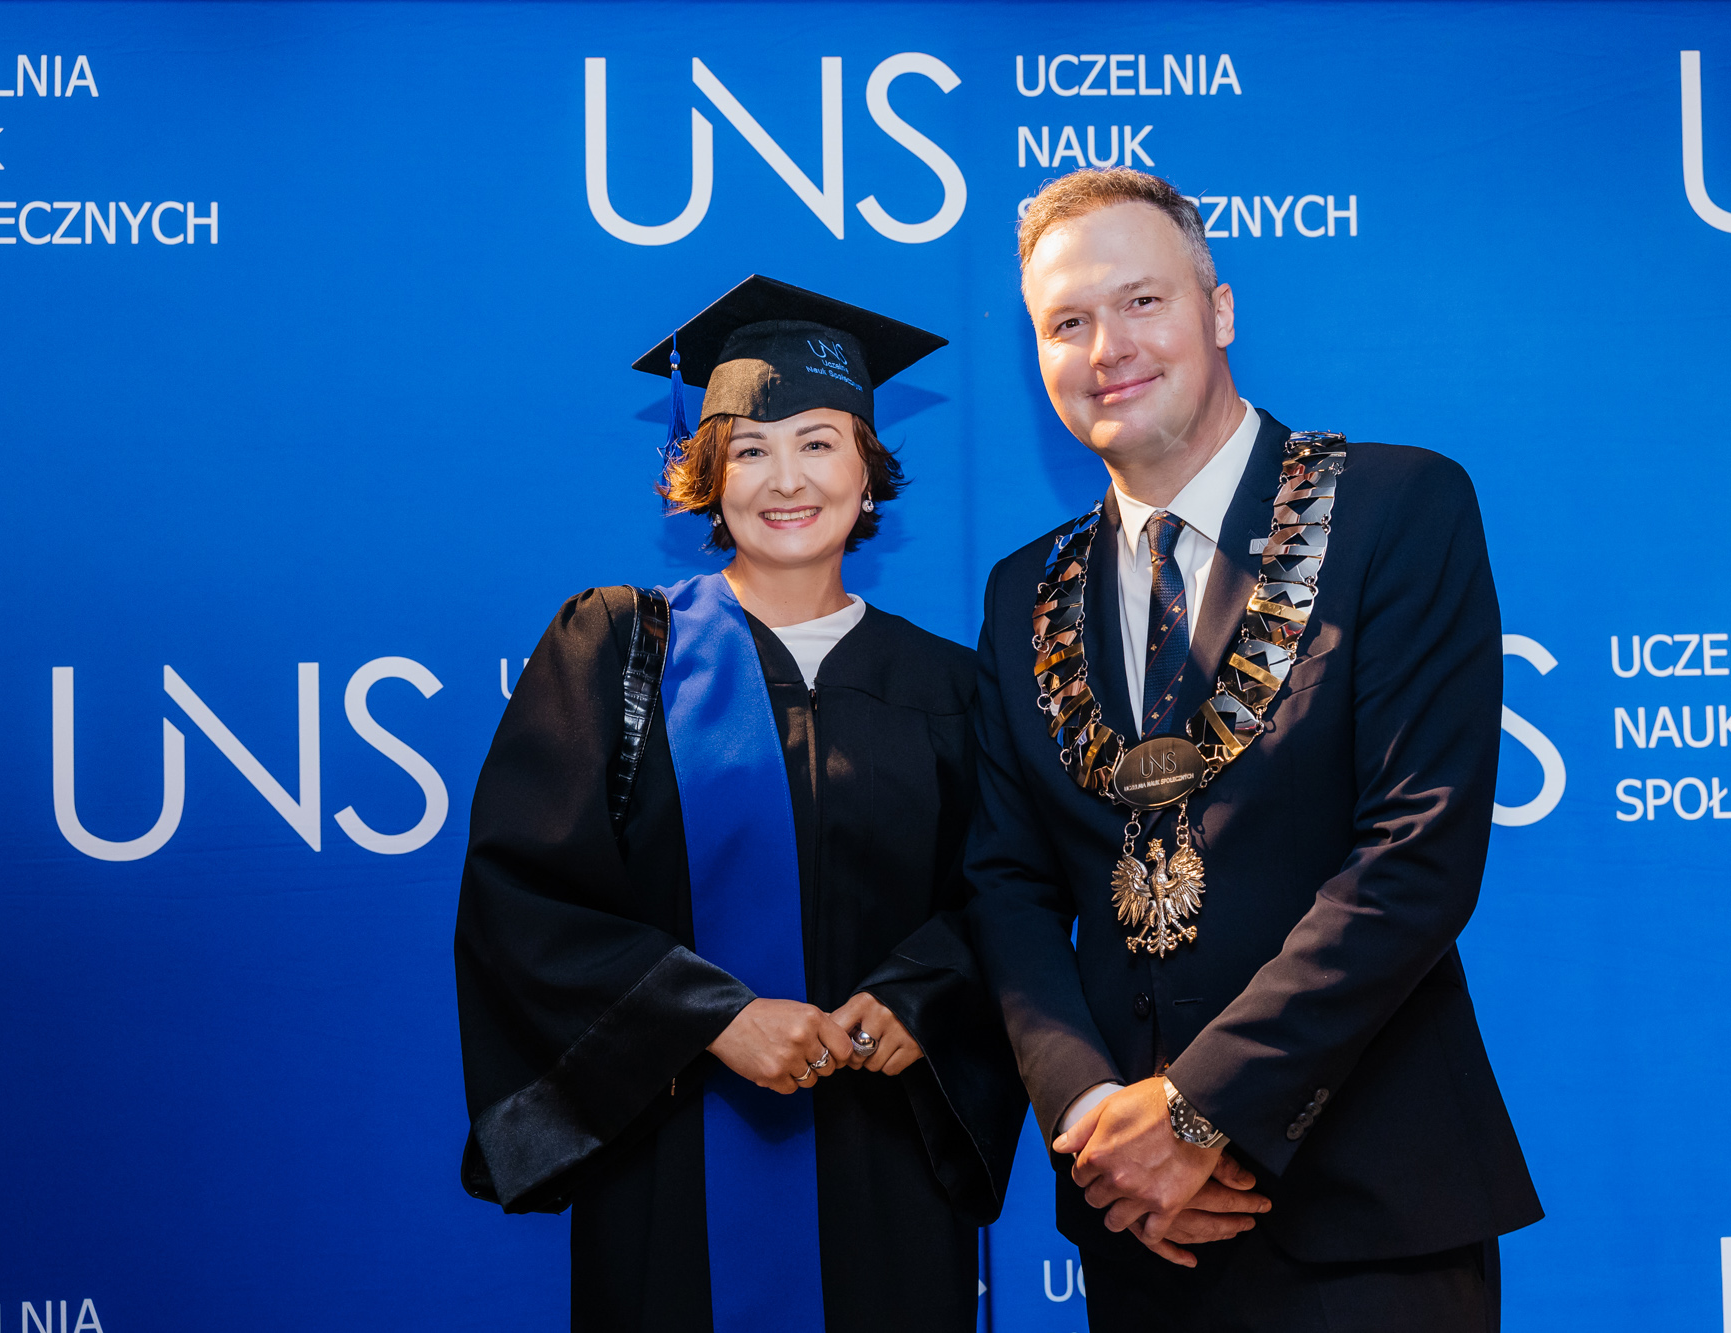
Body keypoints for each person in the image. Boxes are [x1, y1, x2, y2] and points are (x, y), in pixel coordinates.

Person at [966, 168, 1542, 1330]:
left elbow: (1414, 854)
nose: (1106, 349)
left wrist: (1200, 1111)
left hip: (1368, 1218)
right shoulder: (1022, 590)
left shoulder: (1395, 507)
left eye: (1140, 301)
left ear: (1217, 309)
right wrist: (1094, 1123)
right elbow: (1006, 885)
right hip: (1141, 1229)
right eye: (1066, 323)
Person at [455, 275, 1026, 1333]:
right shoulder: (617, 651)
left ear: (867, 471)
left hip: (885, 1156)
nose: (786, 479)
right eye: (750, 450)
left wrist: (922, 999)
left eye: (818, 443)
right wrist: (712, 1018)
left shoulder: (950, 686)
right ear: (708, 478)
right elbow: (524, 898)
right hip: (673, 1152)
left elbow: (1004, 889)